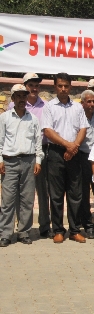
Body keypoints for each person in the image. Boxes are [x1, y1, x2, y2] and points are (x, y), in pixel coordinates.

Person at [42, 72, 89, 243]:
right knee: (56, 194)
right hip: (55, 153)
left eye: (66, 86)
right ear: (55, 86)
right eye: (60, 86)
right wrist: (66, 145)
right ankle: (58, 230)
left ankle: (75, 230)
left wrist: (74, 146)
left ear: (70, 86)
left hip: (74, 153)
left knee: (75, 193)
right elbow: (47, 130)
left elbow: (83, 128)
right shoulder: (49, 106)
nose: (63, 89)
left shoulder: (77, 107)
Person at [0, 84, 43, 247]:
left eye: (24, 96)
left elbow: (38, 141)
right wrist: (0, 160)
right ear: (12, 99)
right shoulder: (4, 118)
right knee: (8, 199)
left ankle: (24, 232)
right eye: (18, 96)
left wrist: (38, 160)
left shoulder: (33, 119)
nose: (21, 99)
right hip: (9, 161)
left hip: (29, 161)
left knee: (27, 199)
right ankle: (5, 233)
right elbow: (0, 140)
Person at [23, 73, 50, 238]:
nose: (34, 88)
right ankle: (24, 228)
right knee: (25, 193)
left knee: (43, 190)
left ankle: (45, 226)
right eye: (31, 85)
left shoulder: (45, 106)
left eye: (37, 85)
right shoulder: (15, 105)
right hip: (24, 152)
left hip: (43, 151)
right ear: (25, 86)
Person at [78, 89, 94, 235]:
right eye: (89, 101)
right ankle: (87, 224)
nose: (92, 104)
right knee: (83, 193)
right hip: (82, 157)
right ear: (82, 103)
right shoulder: (78, 117)